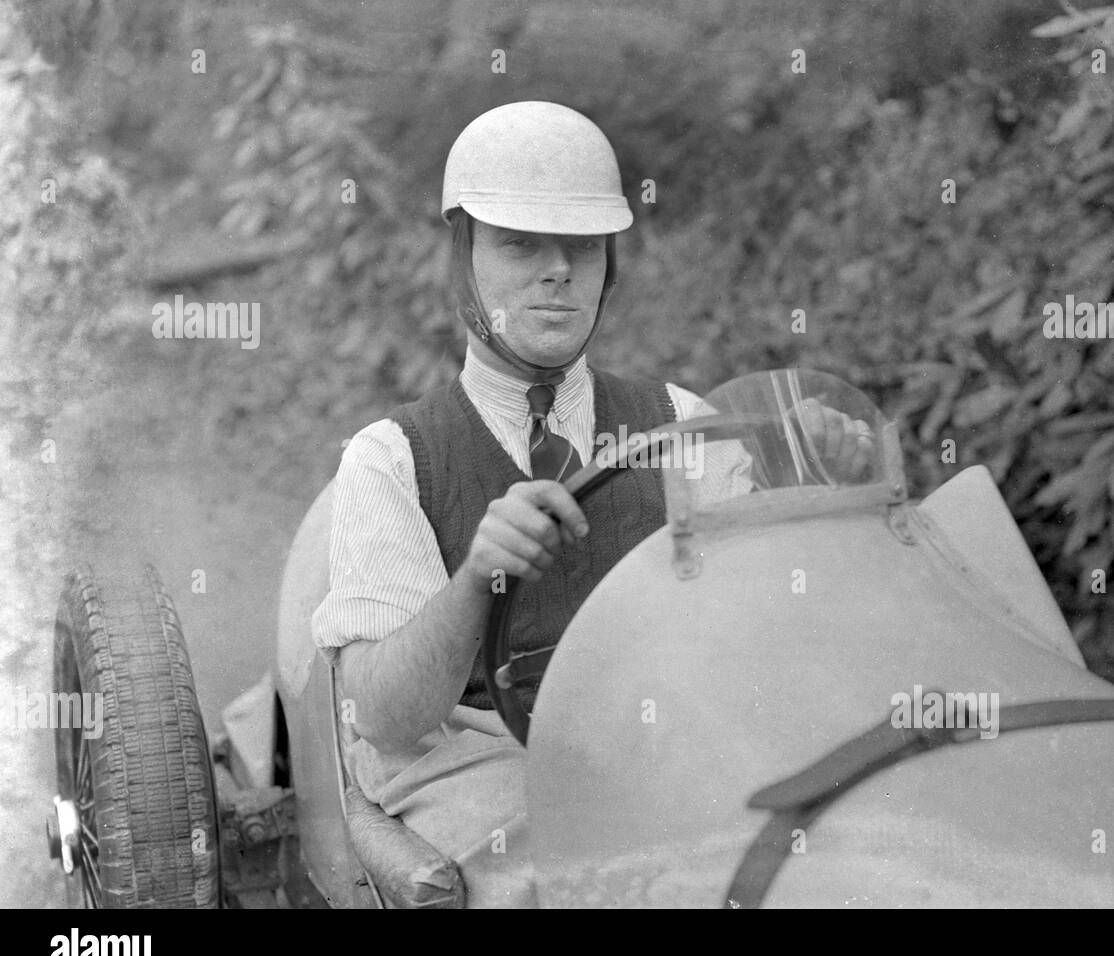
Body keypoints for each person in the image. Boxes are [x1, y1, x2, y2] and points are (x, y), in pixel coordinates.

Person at [311, 100, 872, 907]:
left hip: (664, 738)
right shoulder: (389, 460)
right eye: (518, 244)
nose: (557, 271)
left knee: (829, 841)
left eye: (581, 246)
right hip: (479, 756)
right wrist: (476, 580)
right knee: (569, 880)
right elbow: (390, 719)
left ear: (611, 263)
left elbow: (765, 631)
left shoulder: (682, 421)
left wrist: (824, 491)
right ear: (463, 258)